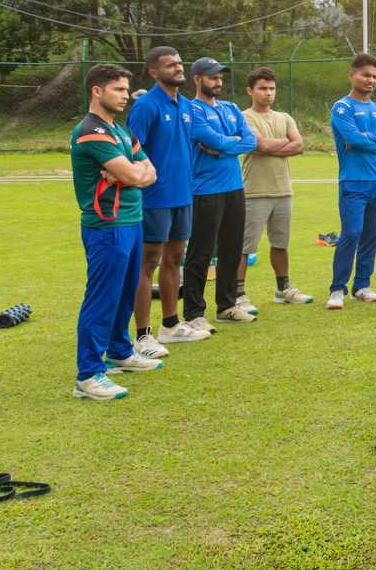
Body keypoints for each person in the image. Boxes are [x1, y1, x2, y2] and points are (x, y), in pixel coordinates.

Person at [71, 64, 163, 400]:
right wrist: (132, 173)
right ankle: (89, 375)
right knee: (102, 297)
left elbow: (150, 171)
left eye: (126, 90)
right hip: (106, 226)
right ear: (97, 91)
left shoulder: (121, 131)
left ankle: (120, 353)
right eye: (119, 90)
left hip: (132, 220)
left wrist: (128, 172)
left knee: (126, 292)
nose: (126, 96)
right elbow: (139, 177)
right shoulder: (90, 131)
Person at [127, 46, 201, 352]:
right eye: (170, 65)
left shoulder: (184, 105)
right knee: (148, 263)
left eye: (180, 63)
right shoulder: (146, 106)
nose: (178, 68)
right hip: (155, 198)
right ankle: (143, 335)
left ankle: (170, 325)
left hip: (183, 196)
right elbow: (131, 150)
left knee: (174, 259)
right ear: (154, 72)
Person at [183, 57, 257, 328]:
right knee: (201, 252)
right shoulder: (193, 111)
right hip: (205, 190)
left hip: (234, 188)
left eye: (220, 77)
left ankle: (226, 306)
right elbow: (208, 138)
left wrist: (224, 146)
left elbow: (250, 140)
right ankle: (194, 313)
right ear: (197, 79)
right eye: (212, 77)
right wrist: (228, 142)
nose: (218, 82)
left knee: (231, 249)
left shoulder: (231, 108)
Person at [327, 53, 376, 309]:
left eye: (374, 76)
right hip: (353, 181)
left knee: (371, 235)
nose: (370, 80)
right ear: (352, 75)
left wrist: (366, 139)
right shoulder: (342, 107)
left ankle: (362, 285)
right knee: (351, 233)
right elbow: (352, 138)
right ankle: (337, 288)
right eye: (365, 75)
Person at [237, 67, 311, 306]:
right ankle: (238, 295)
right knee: (245, 247)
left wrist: (271, 145)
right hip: (254, 191)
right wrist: (282, 144)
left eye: (271, 88)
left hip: (283, 191)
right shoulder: (243, 117)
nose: (268, 93)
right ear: (250, 90)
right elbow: (261, 146)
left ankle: (283, 289)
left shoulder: (285, 117)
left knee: (281, 243)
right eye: (262, 88)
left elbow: (299, 146)